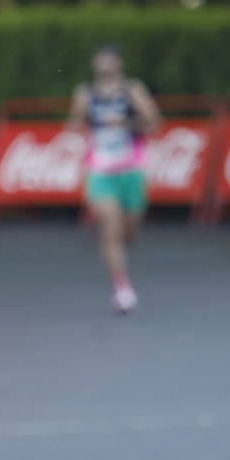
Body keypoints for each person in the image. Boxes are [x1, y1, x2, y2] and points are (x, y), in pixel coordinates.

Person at [67, 44, 162, 314]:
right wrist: (78, 123)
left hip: (131, 167)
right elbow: (74, 123)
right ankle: (122, 289)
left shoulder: (132, 90)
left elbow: (154, 123)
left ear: (119, 65)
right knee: (110, 225)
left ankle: (119, 247)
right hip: (99, 169)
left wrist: (125, 124)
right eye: (101, 60)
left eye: (110, 61)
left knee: (128, 230)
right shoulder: (85, 93)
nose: (105, 65)